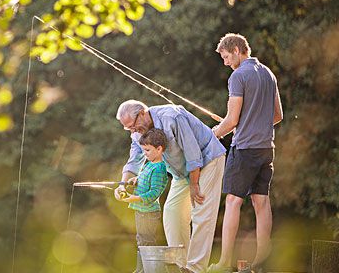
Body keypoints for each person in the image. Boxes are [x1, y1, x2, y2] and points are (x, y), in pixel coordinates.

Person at [114, 100, 226, 273]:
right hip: (182, 172)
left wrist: (194, 184)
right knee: (172, 212)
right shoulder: (138, 133)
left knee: (201, 211)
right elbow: (135, 158)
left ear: (143, 113)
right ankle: (181, 266)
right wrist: (123, 184)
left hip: (207, 159)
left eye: (133, 126)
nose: (133, 131)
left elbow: (193, 152)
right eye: (129, 129)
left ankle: (195, 269)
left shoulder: (172, 117)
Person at [209, 33, 283, 273]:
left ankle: (224, 263)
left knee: (232, 201)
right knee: (261, 202)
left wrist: (214, 133)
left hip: (245, 149)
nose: (225, 62)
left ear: (238, 50)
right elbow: (278, 115)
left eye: (226, 56)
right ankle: (262, 262)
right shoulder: (268, 74)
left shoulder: (238, 76)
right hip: (266, 149)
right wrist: (253, 123)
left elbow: (231, 121)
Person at [121, 128, 169, 273]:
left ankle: (149, 270)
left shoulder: (159, 168)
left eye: (147, 150)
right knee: (141, 241)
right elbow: (143, 178)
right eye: (143, 150)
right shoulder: (149, 163)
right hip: (140, 211)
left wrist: (135, 198)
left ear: (159, 149)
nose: (145, 154)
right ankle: (140, 270)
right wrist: (135, 180)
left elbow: (154, 192)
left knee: (147, 242)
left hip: (149, 213)